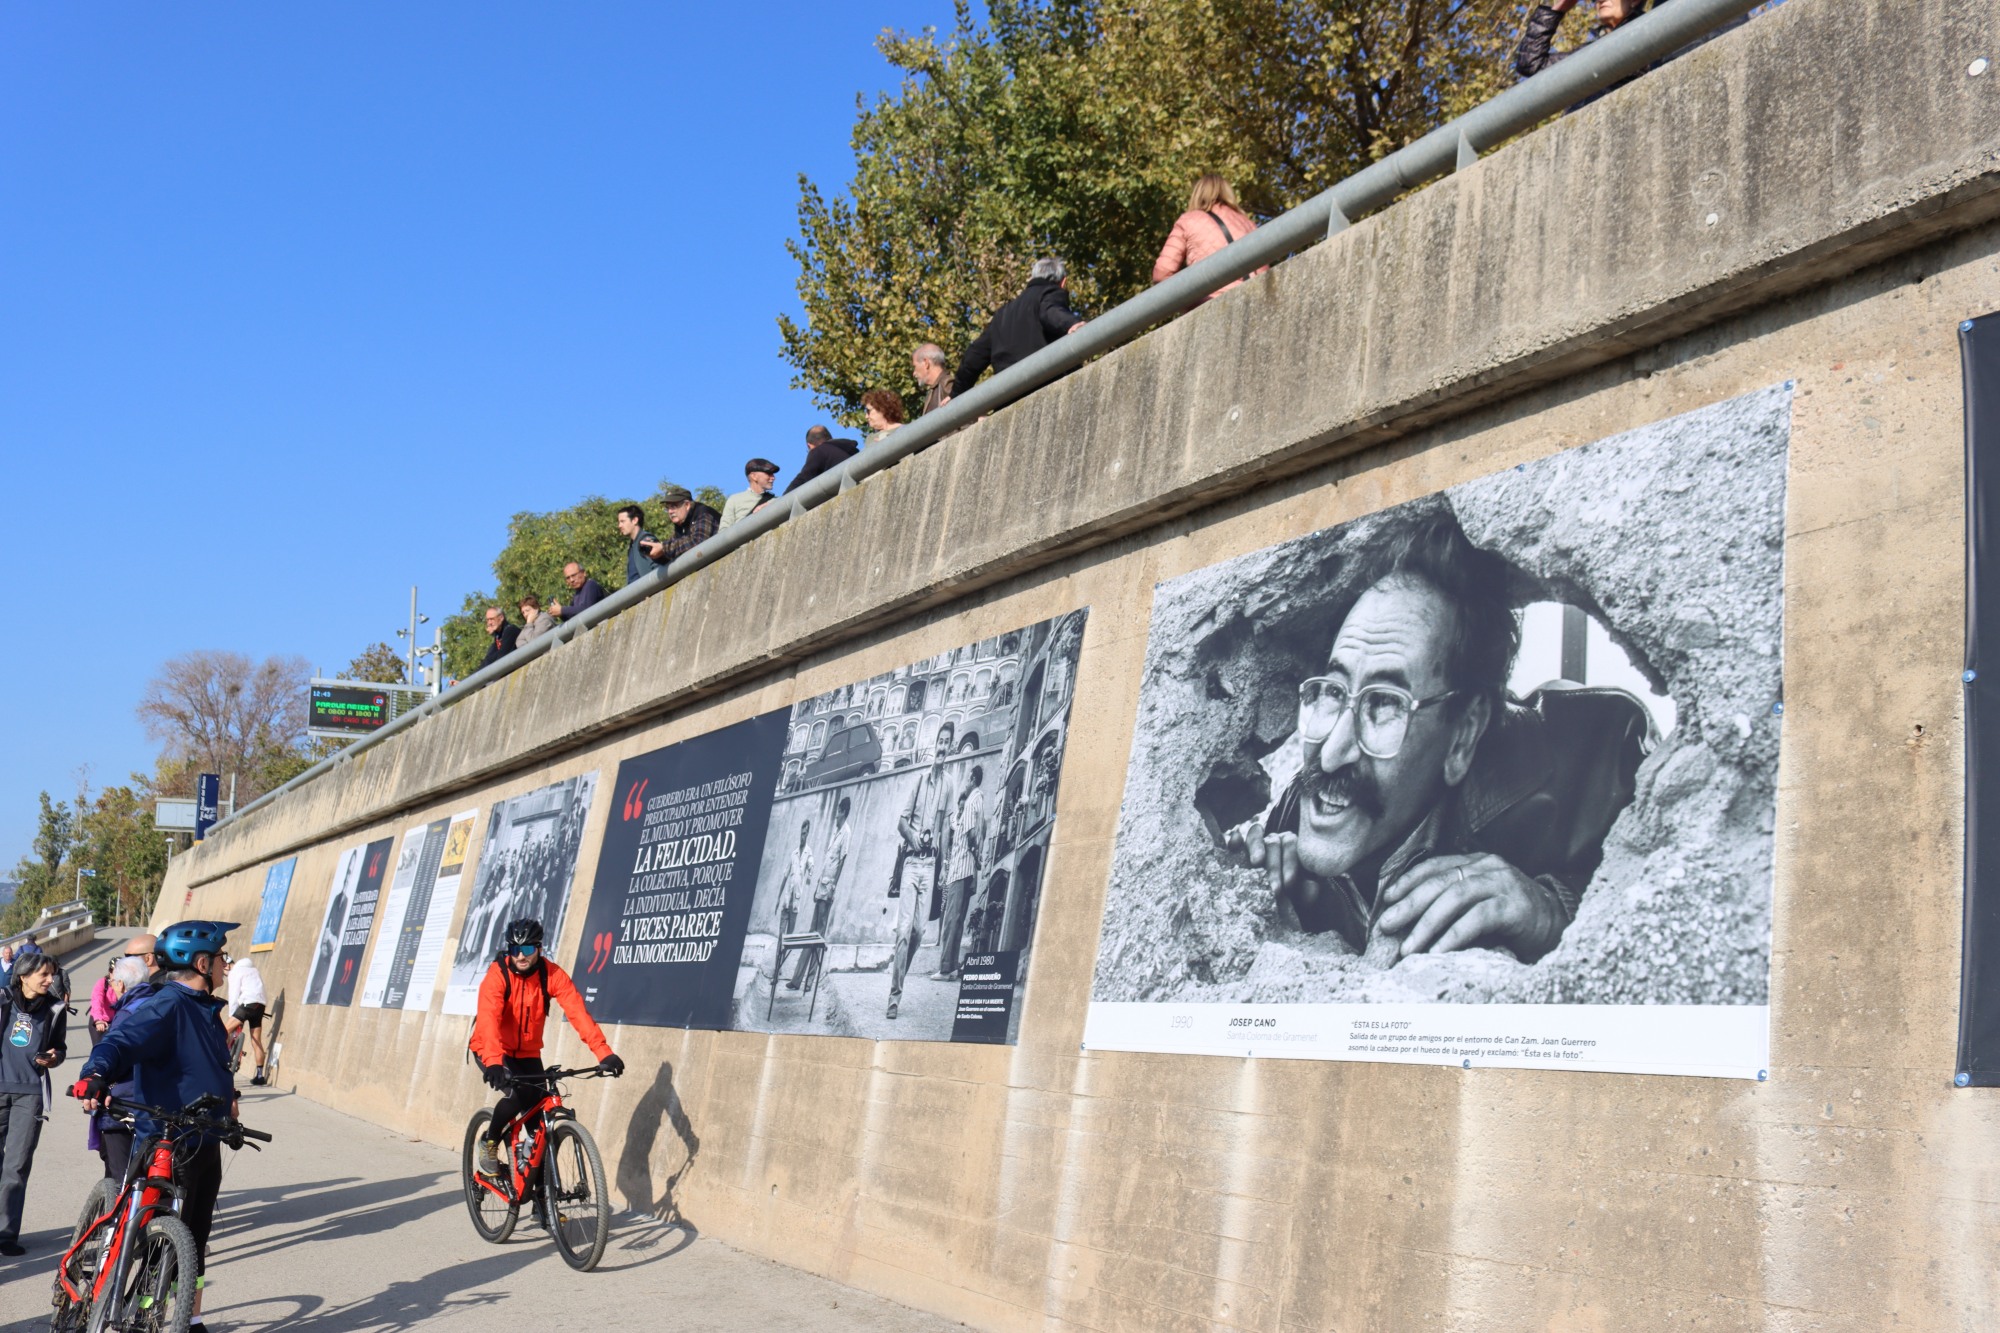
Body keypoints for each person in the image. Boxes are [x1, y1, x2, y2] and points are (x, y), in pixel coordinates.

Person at [1223, 512, 1650, 963]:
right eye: (1333, 691)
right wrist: (1260, 885)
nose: (1330, 755)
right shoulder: (1300, 808)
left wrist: (1553, 913)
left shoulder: (1593, 769)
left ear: (1464, 734)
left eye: (1384, 703)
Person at [74, 919, 239, 1324]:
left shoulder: (206, 1009)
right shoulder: (166, 1004)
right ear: (202, 963)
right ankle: (143, 1315)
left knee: (194, 1239)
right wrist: (96, 1073)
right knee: (160, 1237)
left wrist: (230, 1105)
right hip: (170, 1138)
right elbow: (121, 1040)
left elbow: (208, 1067)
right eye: (221, 958)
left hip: (205, 1137)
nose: (225, 965)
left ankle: (190, 1320)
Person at [468, 919, 623, 1180]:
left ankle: (543, 1205)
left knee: (538, 1130)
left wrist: (604, 1052)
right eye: (514, 950)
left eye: (527, 950)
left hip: (528, 1054)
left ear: (539, 948)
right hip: (493, 1049)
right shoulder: (497, 976)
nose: (520, 956)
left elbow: (578, 1013)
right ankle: (490, 1140)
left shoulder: (550, 975)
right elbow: (488, 1020)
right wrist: (493, 1061)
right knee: (519, 1095)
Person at [889, 721, 958, 1019]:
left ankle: (899, 968)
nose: (942, 747)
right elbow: (901, 823)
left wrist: (945, 865)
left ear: (951, 747)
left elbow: (945, 829)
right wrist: (913, 837)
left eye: (947, 743)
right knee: (904, 931)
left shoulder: (950, 785)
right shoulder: (919, 781)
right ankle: (894, 997)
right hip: (911, 863)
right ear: (935, 746)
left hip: (930, 866)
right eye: (939, 742)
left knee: (918, 931)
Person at [0, 953, 67, 1256]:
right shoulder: (2, 1001)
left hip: (30, 1094)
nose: (50, 980)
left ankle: (5, 1234)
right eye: (44, 974)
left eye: (51, 974)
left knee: (16, 1165)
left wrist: (54, 1057)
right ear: (23, 976)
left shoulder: (55, 1009)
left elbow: (61, 1048)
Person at [950, 258, 1086, 399]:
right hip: (1045, 395)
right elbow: (1051, 311)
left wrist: (955, 394)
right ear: (1063, 282)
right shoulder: (1049, 294)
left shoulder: (1002, 314)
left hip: (1007, 402)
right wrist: (1071, 323)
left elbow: (974, 355)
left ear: (1032, 278)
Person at [87, 954, 151, 1183]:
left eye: (113, 982)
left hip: (127, 1103)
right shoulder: (161, 1005)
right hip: (161, 1103)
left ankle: (117, 1218)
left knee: (120, 1176)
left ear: (121, 984)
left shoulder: (126, 1014)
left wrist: (94, 1078)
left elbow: (114, 1054)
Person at [1152, 174, 1265, 297]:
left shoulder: (1188, 220)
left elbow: (1162, 273)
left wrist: (1189, 303)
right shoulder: (1249, 225)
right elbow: (1263, 275)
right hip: (1251, 301)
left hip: (1210, 302)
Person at [789, 798, 850, 990]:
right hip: (821, 888)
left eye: (838, 811)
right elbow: (827, 863)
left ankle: (808, 981)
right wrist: (818, 887)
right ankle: (798, 979)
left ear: (843, 811)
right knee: (811, 934)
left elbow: (841, 861)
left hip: (828, 889)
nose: (836, 815)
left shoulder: (846, 833)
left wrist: (832, 888)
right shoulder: (835, 833)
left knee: (818, 936)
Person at [934, 765, 986, 981]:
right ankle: (953, 967)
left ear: (972, 778)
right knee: (958, 919)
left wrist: (974, 850)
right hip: (968, 870)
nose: (965, 782)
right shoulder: (979, 801)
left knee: (950, 920)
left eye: (967, 778)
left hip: (960, 870)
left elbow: (971, 833)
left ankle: (945, 969)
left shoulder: (973, 799)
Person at [222, 950, 269, 1085]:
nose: (226, 975)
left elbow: (233, 995)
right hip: (260, 1005)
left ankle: (218, 1061)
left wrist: (232, 1015)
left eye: (225, 973)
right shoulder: (253, 970)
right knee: (256, 1041)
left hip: (247, 1004)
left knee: (225, 1029)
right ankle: (260, 1076)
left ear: (226, 966)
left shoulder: (235, 972)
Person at [647, 486, 721, 564]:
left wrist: (663, 548)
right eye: (667, 508)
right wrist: (655, 552)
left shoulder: (703, 514)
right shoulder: (680, 526)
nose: (670, 511)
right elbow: (671, 554)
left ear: (687, 505)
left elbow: (698, 541)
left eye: (673, 506)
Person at [782, 425, 861, 496]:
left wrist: (782, 499)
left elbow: (804, 477)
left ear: (809, 445)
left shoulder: (818, 451)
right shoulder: (846, 450)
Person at [719, 458, 782, 529]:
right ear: (754, 476)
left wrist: (770, 504)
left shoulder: (777, 501)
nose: (773, 478)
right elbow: (724, 532)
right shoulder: (734, 500)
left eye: (773, 474)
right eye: (769, 473)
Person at [617, 504, 668, 587]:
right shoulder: (632, 546)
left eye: (622, 521)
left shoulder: (645, 540)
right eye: (619, 522)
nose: (619, 526)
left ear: (635, 520)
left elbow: (658, 568)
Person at [912, 344, 953, 415]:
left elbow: (967, 419)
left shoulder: (947, 384)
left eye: (915, 366)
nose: (914, 373)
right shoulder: (933, 390)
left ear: (926, 363)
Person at [479, 605, 519, 669]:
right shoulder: (498, 635)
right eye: (487, 620)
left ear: (501, 618)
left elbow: (502, 655)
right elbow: (488, 658)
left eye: (492, 619)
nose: (489, 623)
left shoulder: (510, 630)